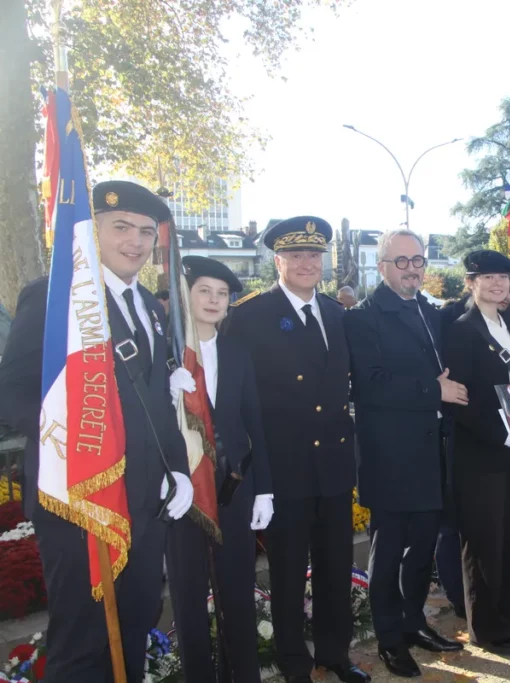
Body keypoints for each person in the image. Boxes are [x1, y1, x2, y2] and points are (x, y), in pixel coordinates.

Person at [0, 181, 195, 682]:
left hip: (145, 506)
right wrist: (65, 439)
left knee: (134, 624)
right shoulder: (56, 297)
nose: (134, 241)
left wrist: (177, 469)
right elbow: (14, 390)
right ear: (94, 232)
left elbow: (158, 404)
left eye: (146, 232)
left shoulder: (153, 310)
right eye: (121, 227)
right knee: (83, 638)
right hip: (80, 502)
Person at [226, 217, 369, 683]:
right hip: (284, 468)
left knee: (335, 568)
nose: (307, 263)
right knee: (287, 574)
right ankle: (294, 663)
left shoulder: (337, 314)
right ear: (278, 260)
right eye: (296, 255)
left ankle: (334, 653)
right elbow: (238, 398)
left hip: (332, 464)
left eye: (314, 255)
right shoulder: (248, 316)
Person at [345, 230, 465, 678]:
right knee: (389, 552)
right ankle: (390, 640)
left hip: (431, 452)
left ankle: (414, 624)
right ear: (382, 266)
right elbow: (369, 387)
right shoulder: (363, 317)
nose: (412, 268)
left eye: (418, 260)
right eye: (401, 261)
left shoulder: (429, 312)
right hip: (390, 455)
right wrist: (434, 391)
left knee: (422, 551)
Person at [165, 256, 273, 683]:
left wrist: (263, 487)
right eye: (204, 291)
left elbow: (253, 421)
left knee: (237, 594)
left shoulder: (237, 352)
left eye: (222, 294)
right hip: (182, 492)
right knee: (189, 599)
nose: (213, 300)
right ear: (186, 296)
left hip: (234, 488)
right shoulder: (165, 352)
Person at [444, 249, 510, 655]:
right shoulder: (462, 330)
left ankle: (509, 620)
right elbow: (458, 399)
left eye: (504, 277)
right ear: (471, 283)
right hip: (481, 455)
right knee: (485, 544)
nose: (498, 284)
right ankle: (486, 629)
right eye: (487, 278)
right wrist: (501, 433)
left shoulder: (509, 325)